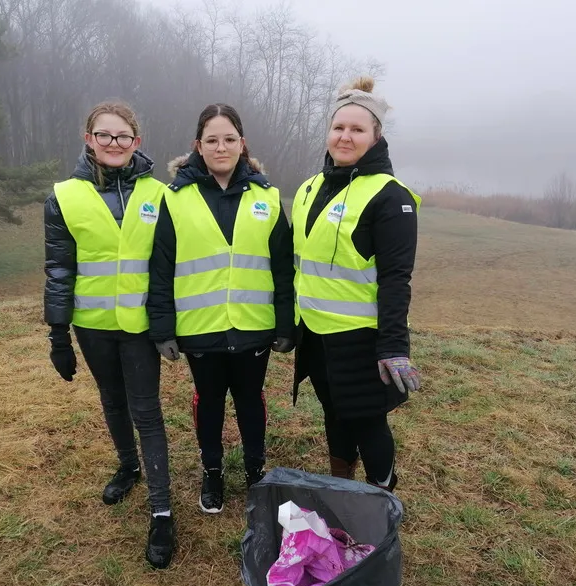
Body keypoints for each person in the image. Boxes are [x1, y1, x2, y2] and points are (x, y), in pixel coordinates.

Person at [44, 101, 175, 568]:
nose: (114, 143)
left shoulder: (160, 194)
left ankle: (161, 510)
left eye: (123, 136)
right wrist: (58, 333)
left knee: (148, 412)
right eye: (105, 135)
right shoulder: (63, 196)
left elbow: (169, 264)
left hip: (140, 327)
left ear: (136, 142)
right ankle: (128, 465)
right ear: (89, 139)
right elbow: (59, 267)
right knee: (112, 400)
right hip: (92, 325)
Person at [147, 103, 295, 514]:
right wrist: (163, 329)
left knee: (251, 401)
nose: (221, 147)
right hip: (201, 329)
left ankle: (255, 472)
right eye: (211, 140)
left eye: (229, 139)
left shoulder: (266, 196)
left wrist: (286, 323)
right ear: (198, 145)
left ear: (242, 144)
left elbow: (283, 266)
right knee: (208, 402)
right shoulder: (175, 199)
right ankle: (212, 473)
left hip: (253, 327)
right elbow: (160, 269)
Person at [292, 77, 422, 492]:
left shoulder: (389, 197)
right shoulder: (310, 187)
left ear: (376, 136)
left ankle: (380, 496)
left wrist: (393, 346)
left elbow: (397, 279)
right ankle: (342, 486)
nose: (345, 137)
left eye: (357, 129)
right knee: (334, 411)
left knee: (366, 419)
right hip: (315, 333)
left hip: (360, 338)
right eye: (338, 128)